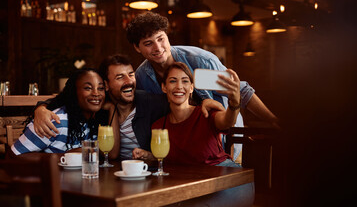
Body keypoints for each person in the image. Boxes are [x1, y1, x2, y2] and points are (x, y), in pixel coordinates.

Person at [126, 11, 279, 160]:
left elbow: (241, 92)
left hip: (225, 139)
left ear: (167, 36)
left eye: (161, 39)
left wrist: (273, 121)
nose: (158, 48)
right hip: (184, 149)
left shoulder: (199, 62)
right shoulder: (142, 77)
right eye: (148, 43)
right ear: (137, 47)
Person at [32, 55, 224, 160]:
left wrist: (203, 101)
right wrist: (41, 108)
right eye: (120, 77)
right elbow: (68, 98)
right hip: (112, 176)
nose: (129, 81)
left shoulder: (149, 102)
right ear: (106, 85)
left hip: (146, 174)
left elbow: (180, 95)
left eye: (131, 75)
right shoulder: (99, 104)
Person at [134, 62, 241, 167]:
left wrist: (234, 103)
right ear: (164, 87)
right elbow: (172, 160)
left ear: (191, 88)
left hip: (221, 174)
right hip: (189, 180)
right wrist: (149, 155)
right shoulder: (159, 126)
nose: (179, 86)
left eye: (185, 81)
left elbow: (227, 122)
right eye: (172, 81)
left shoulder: (205, 113)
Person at [11, 68, 108, 155]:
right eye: (88, 88)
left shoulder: (94, 123)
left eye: (100, 88)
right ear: (74, 92)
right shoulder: (56, 122)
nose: (96, 93)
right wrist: (61, 157)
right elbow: (14, 155)